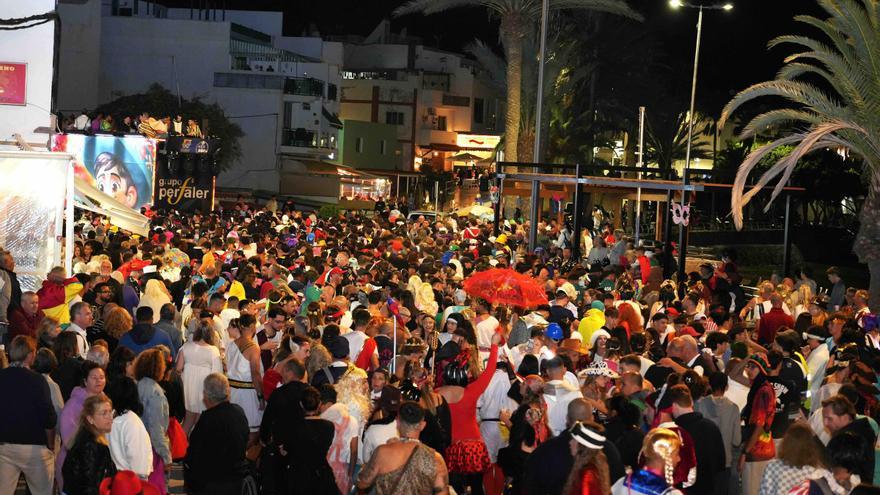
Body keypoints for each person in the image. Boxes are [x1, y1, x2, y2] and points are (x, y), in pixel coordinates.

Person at [439, 331, 502, 495]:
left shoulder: (436, 394)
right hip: (473, 446)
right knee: (476, 488)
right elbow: (489, 371)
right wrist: (494, 345)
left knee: (453, 488)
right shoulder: (471, 391)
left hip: (451, 447)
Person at [525, 398, 626, 495]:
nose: (571, 444)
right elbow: (619, 485)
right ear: (592, 418)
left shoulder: (545, 451)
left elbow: (530, 486)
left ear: (568, 419)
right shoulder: (608, 449)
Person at [0, 336, 57, 495]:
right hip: (34, 447)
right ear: (30, 355)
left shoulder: (1, 377)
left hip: (4, 446)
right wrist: (51, 446)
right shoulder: (38, 381)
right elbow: (49, 418)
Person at [357, 401, 450, 495]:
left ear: (397, 422)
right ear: (422, 425)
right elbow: (442, 491)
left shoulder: (383, 452)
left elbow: (362, 483)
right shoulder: (435, 458)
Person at [184, 373, 250, 495]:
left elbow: (194, 454)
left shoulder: (207, 420)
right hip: (237, 481)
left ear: (207, 396)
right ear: (228, 392)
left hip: (213, 483)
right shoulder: (238, 412)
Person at [58, 359, 107, 491]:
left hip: (98, 464)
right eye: (94, 378)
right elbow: (68, 441)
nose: (99, 381)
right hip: (76, 465)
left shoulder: (105, 401)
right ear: (85, 381)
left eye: (102, 377)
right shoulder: (73, 405)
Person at [668, 385, 725, 495]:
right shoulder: (711, 426)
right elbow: (720, 464)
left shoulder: (676, 433)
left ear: (674, 406)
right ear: (691, 403)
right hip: (710, 489)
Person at [694, 372, 741, 495]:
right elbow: (737, 440)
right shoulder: (733, 408)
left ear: (709, 385)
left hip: (703, 461)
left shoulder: (699, 404)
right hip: (725, 461)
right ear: (726, 387)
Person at [62, 393, 117, 495]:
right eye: (104, 413)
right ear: (90, 419)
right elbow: (90, 486)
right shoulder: (93, 446)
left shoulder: (82, 437)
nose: (110, 418)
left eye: (110, 412)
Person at [175, 322, 222, 435]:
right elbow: (217, 373)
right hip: (204, 388)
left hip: (188, 386)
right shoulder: (213, 350)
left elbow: (178, 368)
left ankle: (180, 448)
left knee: (187, 420)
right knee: (200, 422)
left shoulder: (186, 346)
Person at [135, 348, 171, 494]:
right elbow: (156, 428)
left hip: (138, 445)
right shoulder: (156, 394)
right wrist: (166, 455)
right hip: (152, 449)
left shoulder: (136, 385)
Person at [739, 355, 776, 495]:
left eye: (753, 367)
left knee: (751, 491)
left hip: (757, 449)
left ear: (761, 369)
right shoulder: (760, 386)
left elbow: (759, 425)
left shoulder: (762, 391)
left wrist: (745, 452)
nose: (748, 370)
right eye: (748, 366)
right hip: (762, 446)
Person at [105, 375, 153, 480]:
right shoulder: (132, 422)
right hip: (131, 481)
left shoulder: (109, 418)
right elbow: (139, 460)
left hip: (114, 478)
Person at [227, 314, 264, 444]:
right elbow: (256, 374)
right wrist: (261, 396)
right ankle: (240, 458)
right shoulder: (253, 348)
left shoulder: (232, 344)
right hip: (247, 394)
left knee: (233, 428)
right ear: (253, 326)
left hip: (231, 392)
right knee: (252, 431)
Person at [758, 422, 826, 495]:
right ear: (811, 447)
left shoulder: (772, 466)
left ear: (785, 443)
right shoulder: (818, 473)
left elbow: (764, 492)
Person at [821, 394, 876, 483]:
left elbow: (827, 466)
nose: (825, 423)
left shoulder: (845, 440)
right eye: (824, 418)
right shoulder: (863, 430)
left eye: (829, 419)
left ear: (845, 417)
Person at [611, 428, 683, 495]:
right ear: (666, 456)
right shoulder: (670, 493)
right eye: (676, 454)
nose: (679, 459)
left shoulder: (622, 483)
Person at [562, 421, 611, 495]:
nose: (570, 442)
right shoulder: (592, 466)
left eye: (574, 440)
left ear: (582, 446)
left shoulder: (587, 474)